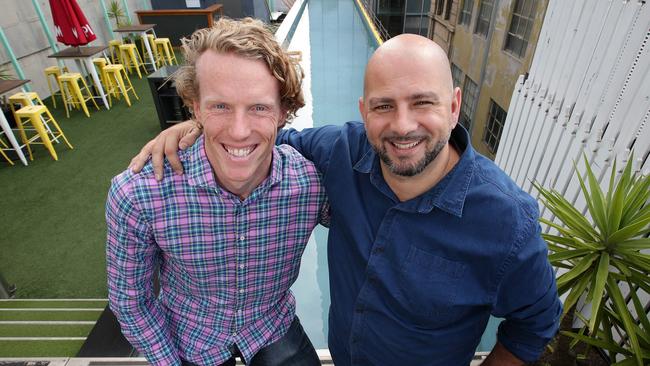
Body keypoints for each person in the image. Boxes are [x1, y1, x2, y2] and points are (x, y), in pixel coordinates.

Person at [130, 34, 563, 365]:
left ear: (453, 107)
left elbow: (535, 323)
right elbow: (259, 135)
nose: (403, 125)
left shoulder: (507, 221)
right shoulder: (341, 151)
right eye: (383, 106)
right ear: (363, 111)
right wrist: (196, 128)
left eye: (422, 103)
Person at [106, 18, 328, 366]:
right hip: (190, 338)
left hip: (272, 325)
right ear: (195, 108)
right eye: (220, 106)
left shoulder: (312, 184)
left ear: (283, 112)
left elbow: (378, 207)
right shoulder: (138, 194)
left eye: (258, 107)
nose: (239, 131)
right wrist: (168, 362)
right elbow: (130, 300)